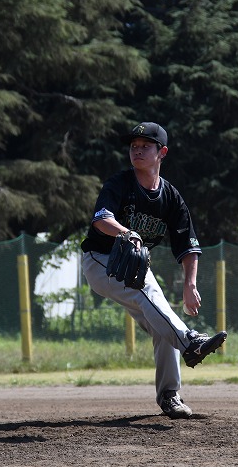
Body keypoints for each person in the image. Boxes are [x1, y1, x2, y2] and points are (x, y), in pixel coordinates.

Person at [80, 121, 227, 419]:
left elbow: (188, 245)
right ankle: (191, 342)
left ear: (162, 152)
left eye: (145, 146)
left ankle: (170, 396)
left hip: (134, 266)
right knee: (150, 297)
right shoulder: (119, 184)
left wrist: (190, 284)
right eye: (134, 146)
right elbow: (101, 219)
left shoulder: (171, 197)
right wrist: (127, 232)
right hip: (100, 260)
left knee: (161, 318)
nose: (137, 150)